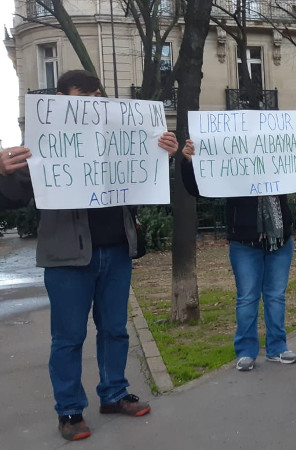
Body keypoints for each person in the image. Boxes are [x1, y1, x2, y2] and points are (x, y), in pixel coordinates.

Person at [0, 70, 179, 441]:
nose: (90, 107)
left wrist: (163, 152)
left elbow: (145, 179)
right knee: (68, 338)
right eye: (80, 101)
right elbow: (15, 197)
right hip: (67, 258)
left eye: (95, 99)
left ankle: (114, 394)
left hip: (116, 251)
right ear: (60, 104)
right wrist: (3, 173)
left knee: (115, 329)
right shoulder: (45, 143)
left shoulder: (120, 137)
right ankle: (69, 410)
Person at [182, 126, 296, 372]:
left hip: (279, 239)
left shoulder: (279, 160)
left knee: (276, 295)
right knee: (247, 297)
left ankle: (277, 347)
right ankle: (245, 351)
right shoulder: (232, 162)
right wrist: (191, 161)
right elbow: (198, 188)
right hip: (244, 240)